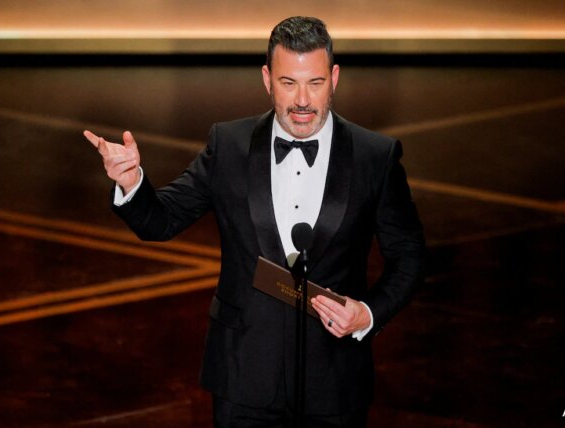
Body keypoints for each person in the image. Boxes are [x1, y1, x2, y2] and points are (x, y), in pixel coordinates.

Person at [84, 16, 425, 428]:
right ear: (267, 80)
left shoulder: (375, 156)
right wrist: (131, 181)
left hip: (334, 380)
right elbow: (160, 221)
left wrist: (367, 313)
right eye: (288, 83)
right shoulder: (229, 145)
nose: (303, 100)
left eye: (315, 83)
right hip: (243, 374)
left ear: (334, 78)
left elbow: (409, 258)